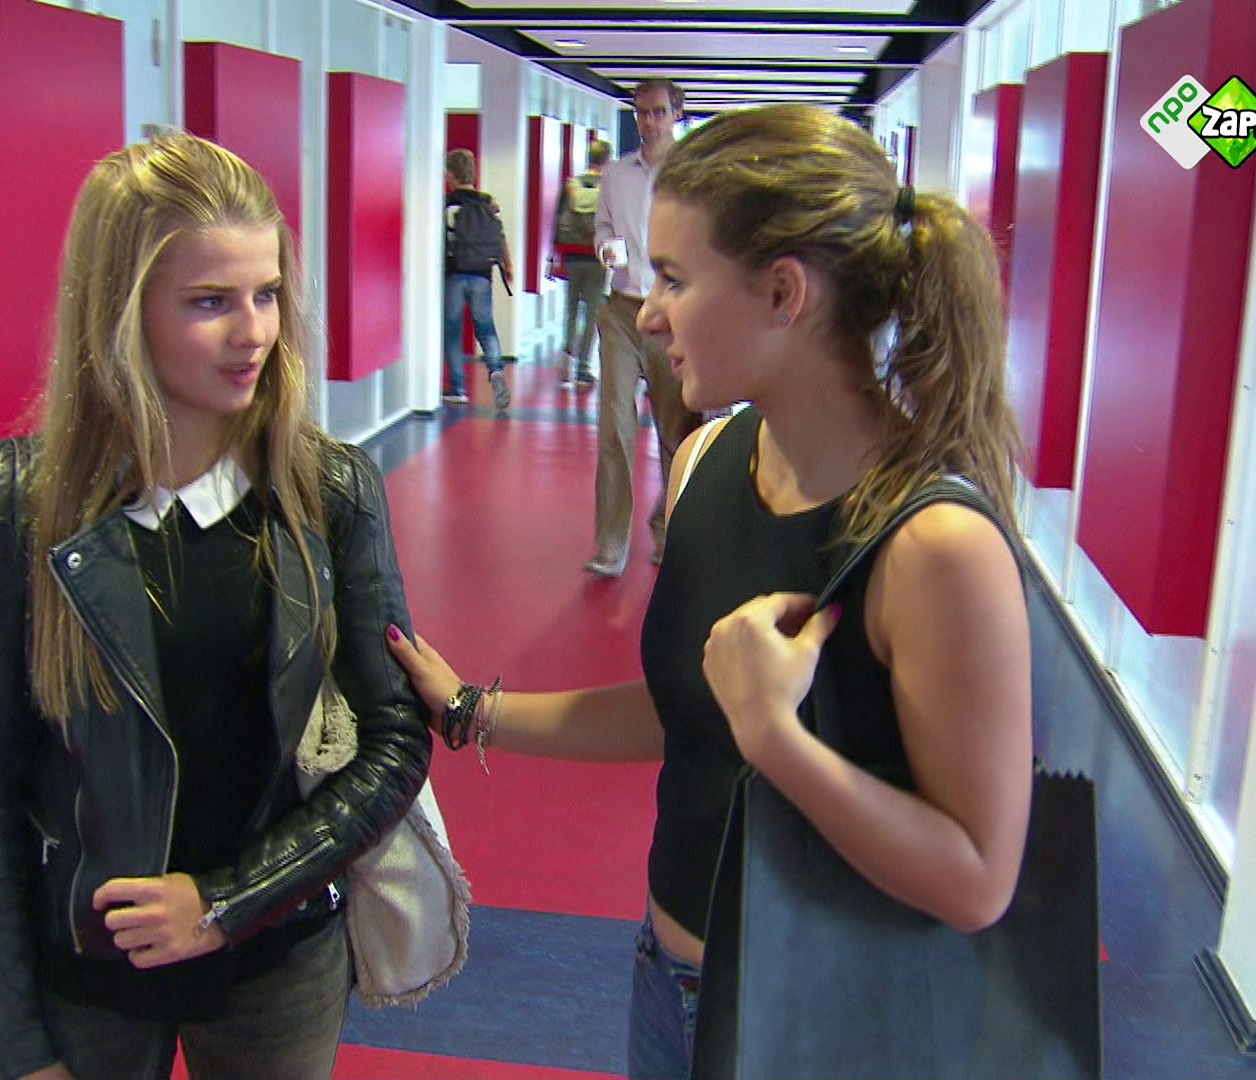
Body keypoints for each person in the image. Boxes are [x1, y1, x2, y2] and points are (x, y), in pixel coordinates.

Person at [386, 105, 1033, 1080]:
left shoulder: (936, 545)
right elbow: (686, 706)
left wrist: (776, 738)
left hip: (821, 1021)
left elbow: (978, 879)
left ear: (782, 293)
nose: (649, 314)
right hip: (665, 976)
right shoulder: (704, 461)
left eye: (676, 280)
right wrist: (476, 711)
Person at [0, 134, 431, 1080]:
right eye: (210, 302)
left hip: (277, 959)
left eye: (267, 294)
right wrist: (13, 1047)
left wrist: (225, 903)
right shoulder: (18, 505)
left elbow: (393, 742)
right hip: (85, 975)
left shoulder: (330, 491)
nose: (254, 333)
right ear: (121, 312)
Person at [587, 80, 702, 576]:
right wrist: (604, 245)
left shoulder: (694, 175)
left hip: (672, 315)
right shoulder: (616, 175)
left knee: (675, 433)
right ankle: (610, 545)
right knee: (614, 428)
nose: (648, 121)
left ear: (677, 114)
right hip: (621, 311)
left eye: (658, 112)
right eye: (641, 112)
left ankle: (669, 532)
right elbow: (603, 227)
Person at [443, 148, 514, 410]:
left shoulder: (449, 205)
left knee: (453, 331)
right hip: (483, 274)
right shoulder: (488, 204)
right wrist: (508, 264)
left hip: (455, 273)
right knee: (485, 327)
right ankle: (496, 370)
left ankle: (458, 388)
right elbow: (501, 236)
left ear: (451, 174)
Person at [554, 138, 612, 388]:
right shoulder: (609, 188)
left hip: (572, 254)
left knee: (570, 309)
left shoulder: (571, 186)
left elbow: (558, 218)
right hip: (597, 256)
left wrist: (555, 254)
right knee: (591, 313)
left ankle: (566, 362)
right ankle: (583, 368)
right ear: (607, 160)